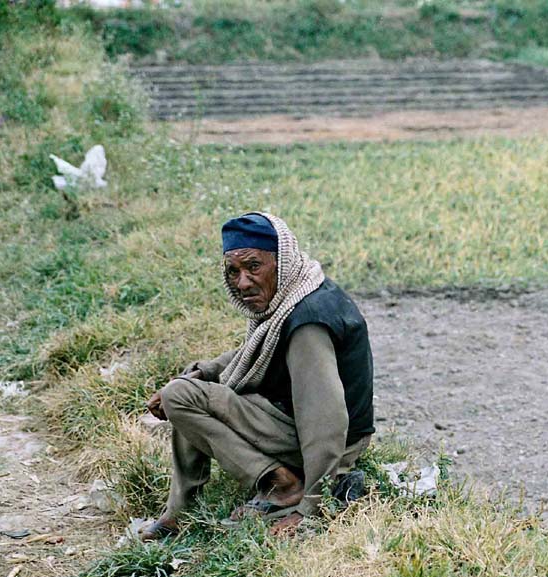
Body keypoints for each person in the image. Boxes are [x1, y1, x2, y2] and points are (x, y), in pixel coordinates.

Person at [140, 212, 374, 539]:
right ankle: (180, 511)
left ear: (282, 262)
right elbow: (260, 350)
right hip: (291, 420)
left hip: (332, 442)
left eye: (254, 267)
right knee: (187, 388)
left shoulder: (307, 325)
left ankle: (281, 484)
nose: (243, 283)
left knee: (180, 396)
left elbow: (325, 419)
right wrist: (205, 372)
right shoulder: (299, 290)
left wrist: (311, 507)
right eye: (233, 271)